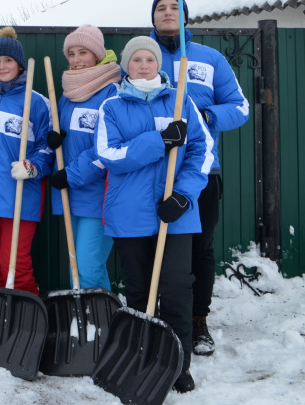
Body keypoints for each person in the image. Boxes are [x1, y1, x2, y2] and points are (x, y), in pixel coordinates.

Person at [95, 36, 213, 393]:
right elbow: (109, 154)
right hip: (130, 213)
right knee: (139, 290)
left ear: (158, 65)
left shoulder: (180, 100)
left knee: (177, 288)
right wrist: (158, 141)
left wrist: (183, 196)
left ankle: (178, 363)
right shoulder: (112, 106)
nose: (143, 65)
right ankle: (144, 358)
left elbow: (202, 151)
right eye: (137, 60)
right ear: (126, 66)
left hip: (175, 213)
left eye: (150, 59)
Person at [149, 0, 250, 356]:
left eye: (175, 7)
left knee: (200, 247)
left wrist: (206, 116)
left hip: (203, 170)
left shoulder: (209, 59)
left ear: (186, 17)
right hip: (154, 171)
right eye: (160, 8)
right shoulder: (143, 56)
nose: (168, 12)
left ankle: (197, 320)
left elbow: (240, 107)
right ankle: (157, 317)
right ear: (152, 19)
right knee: (155, 246)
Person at [0, 27, 53, 297]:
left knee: (14, 263)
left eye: (8, 60)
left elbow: (49, 147)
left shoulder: (36, 102)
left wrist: (33, 166)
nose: (2, 66)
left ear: (20, 64)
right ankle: (1, 311)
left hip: (20, 195)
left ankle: (29, 314)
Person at [45, 25, 122, 291]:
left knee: (87, 268)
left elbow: (107, 147)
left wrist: (71, 174)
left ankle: (95, 316)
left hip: (100, 195)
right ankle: (99, 314)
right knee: (78, 268)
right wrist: (54, 139)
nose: (76, 60)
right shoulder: (69, 94)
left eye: (83, 52)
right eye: (71, 53)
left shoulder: (112, 93)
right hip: (71, 194)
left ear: (98, 55)